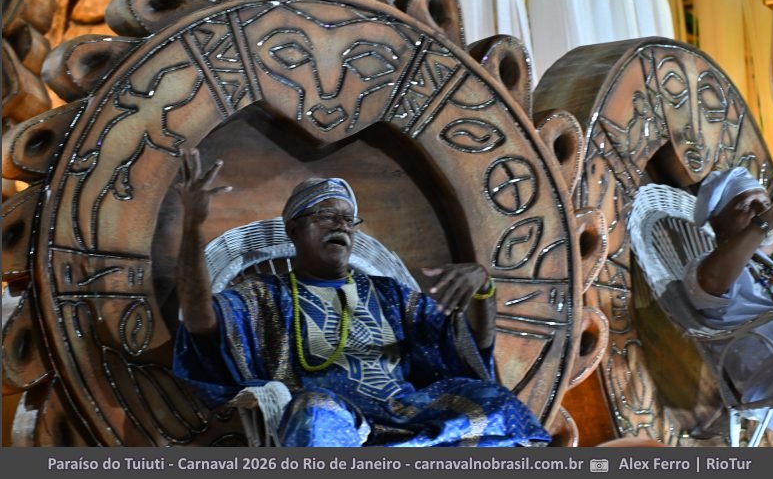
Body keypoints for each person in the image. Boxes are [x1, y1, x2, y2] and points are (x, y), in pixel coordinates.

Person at [172, 149, 550, 447]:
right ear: (293, 230)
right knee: (314, 411)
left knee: (493, 400)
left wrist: (483, 287)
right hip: (336, 414)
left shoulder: (389, 295)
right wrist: (192, 227)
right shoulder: (264, 296)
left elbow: (470, 345)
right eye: (326, 215)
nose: (340, 224)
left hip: (406, 412)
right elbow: (199, 321)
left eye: (347, 219)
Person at [682, 167, 773, 431]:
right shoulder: (705, 268)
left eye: (766, 204)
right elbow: (712, 282)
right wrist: (766, 220)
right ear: (719, 227)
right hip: (772, 377)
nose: (761, 210)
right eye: (747, 205)